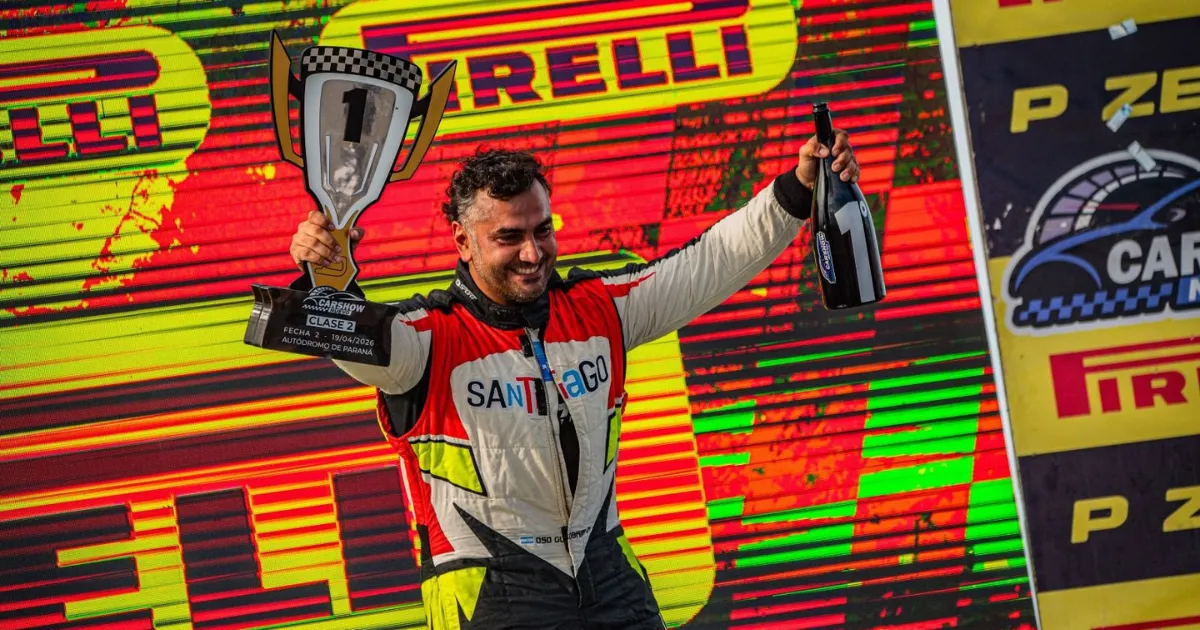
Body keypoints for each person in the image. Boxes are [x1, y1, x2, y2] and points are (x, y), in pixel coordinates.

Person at [289, 131, 861, 629]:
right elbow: (348, 338)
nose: (532, 253)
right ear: (463, 241)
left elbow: (709, 262)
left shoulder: (598, 308)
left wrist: (798, 189)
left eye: (542, 230)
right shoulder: (425, 338)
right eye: (509, 237)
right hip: (489, 593)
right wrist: (328, 278)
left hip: (607, 571)